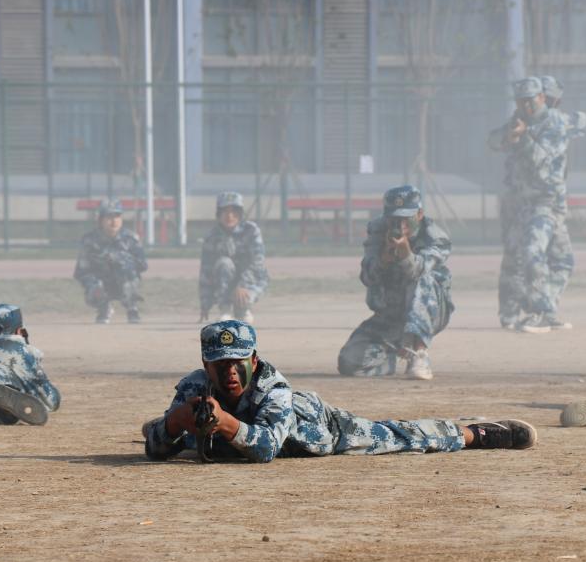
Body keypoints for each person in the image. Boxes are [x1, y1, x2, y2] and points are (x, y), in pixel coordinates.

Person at [143, 320, 536, 463]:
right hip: (237, 432)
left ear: (254, 360)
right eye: (220, 364)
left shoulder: (273, 386)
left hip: (316, 428)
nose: (229, 371)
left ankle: (473, 434)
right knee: (171, 432)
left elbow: (265, 450)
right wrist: (175, 424)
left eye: (238, 362)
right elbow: (155, 451)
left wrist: (224, 423)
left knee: (398, 437)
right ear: (205, 363)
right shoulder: (195, 385)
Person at [337, 185, 454, 380]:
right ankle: (390, 356)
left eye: (406, 218)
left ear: (419, 215)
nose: (400, 225)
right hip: (392, 312)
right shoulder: (378, 231)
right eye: (394, 219)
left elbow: (419, 271)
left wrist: (406, 253)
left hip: (430, 310)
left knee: (422, 277)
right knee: (349, 363)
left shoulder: (435, 237)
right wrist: (383, 260)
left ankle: (419, 353)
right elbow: (367, 278)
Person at [488, 77, 574, 333]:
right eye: (520, 101)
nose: (526, 106)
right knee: (518, 256)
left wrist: (523, 136)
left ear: (542, 98)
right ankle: (520, 312)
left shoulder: (554, 122)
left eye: (530, 100)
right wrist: (510, 135)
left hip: (547, 201)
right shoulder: (519, 121)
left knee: (559, 260)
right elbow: (492, 141)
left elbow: (542, 159)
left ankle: (543, 308)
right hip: (520, 204)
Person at [74, 200, 148, 324]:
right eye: (109, 217)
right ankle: (104, 309)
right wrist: (93, 286)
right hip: (101, 281)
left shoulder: (130, 238)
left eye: (117, 216)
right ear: (100, 219)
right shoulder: (89, 240)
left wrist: (122, 259)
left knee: (128, 273)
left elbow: (142, 264)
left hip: (124, 279)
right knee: (94, 290)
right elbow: (81, 271)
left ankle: (132, 308)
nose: (114, 221)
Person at [199, 191, 268, 323]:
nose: (229, 216)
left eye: (234, 211)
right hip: (224, 283)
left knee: (244, 317)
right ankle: (226, 309)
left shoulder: (251, 231)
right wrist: (205, 303)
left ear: (240, 214)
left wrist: (242, 285)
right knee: (223, 263)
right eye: (225, 211)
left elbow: (257, 262)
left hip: (251, 281)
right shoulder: (212, 236)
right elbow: (206, 270)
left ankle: (243, 309)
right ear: (219, 214)